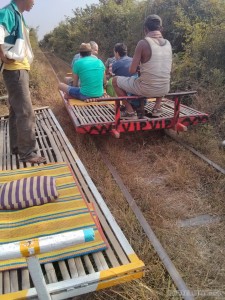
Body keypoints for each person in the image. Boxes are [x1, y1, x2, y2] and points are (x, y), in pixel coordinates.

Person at [0, 0, 46, 164]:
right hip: (15, 69)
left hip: (18, 68)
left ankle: (17, 147)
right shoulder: (9, 12)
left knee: (16, 110)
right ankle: (28, 153)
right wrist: (3, 56)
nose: (34, 2)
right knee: (26, 112)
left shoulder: (17, 15)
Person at [112, 14, 172, 119]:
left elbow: (131, 70)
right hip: (164, 88)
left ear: (145, 29)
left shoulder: (143, 43)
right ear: (161, 29)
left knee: (115, 81)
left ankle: (129, 111)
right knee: (161, 74)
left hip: (146, 89)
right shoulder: (168, 44)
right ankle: (157, 107)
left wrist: (139, 67)